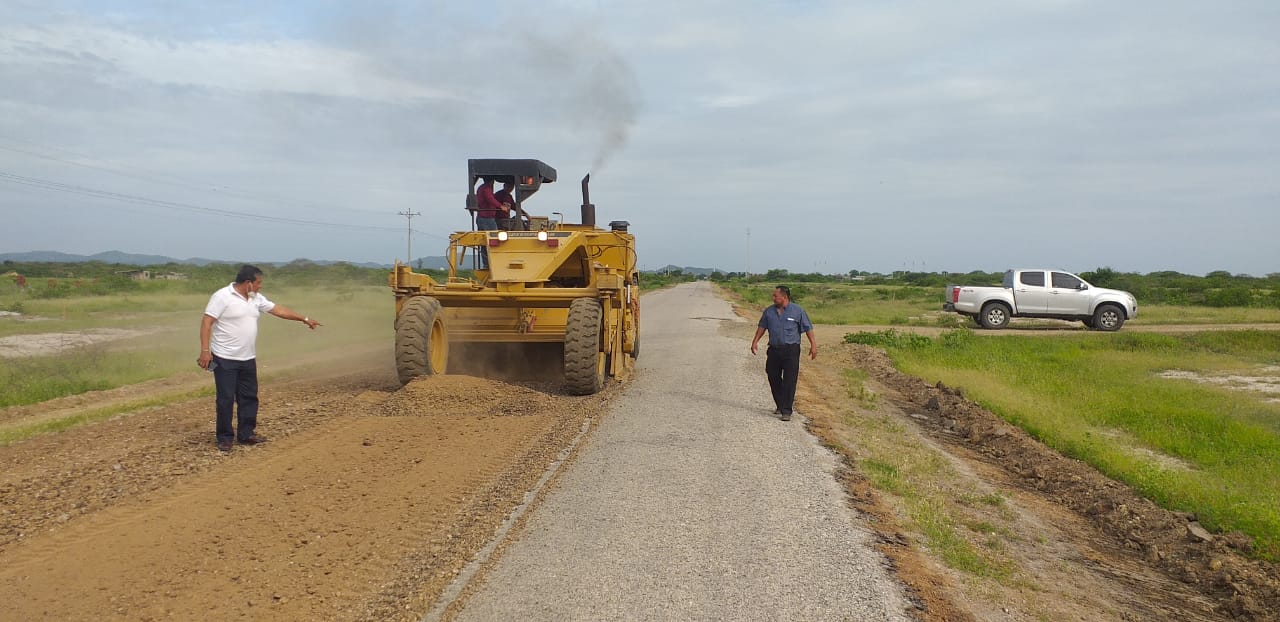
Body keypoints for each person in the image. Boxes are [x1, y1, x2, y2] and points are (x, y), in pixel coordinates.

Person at [198, 265, 321, 452]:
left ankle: (246, 434)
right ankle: (224, 438)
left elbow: (278, 310)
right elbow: (207, 322)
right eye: (258, 283)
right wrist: (205, 351)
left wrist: (303, 319)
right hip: (224, 358)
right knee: (225, 399)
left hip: (248, 358)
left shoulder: (255, 298)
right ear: (248, 283)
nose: (260, 286)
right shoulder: (222, 296)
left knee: (249, 397)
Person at [749, 285, 817, 421]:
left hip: (791, 350)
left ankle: (786, 410)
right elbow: (762, 327)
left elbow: (808, 328)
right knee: (772, 375)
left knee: (789, 379)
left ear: (784, 297)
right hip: (774, 349)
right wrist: (755, 341)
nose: (773, 298)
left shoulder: (798, 311)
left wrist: (813, 345)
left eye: (776, 296)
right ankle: (780, 404)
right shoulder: (769, 311)